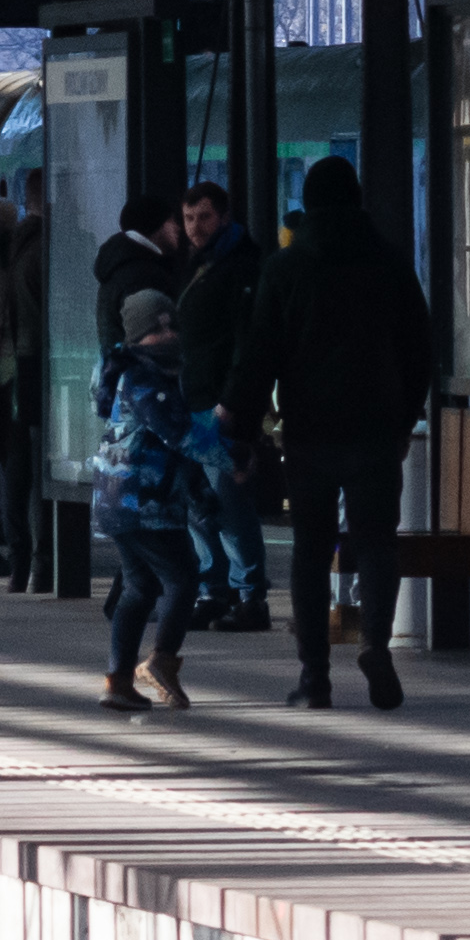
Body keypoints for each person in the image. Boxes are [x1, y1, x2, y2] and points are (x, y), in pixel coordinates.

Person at [230, 155, 435, 712]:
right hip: (374, 428)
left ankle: (314, 676)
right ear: (357, 198)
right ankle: (375, 644)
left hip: (310, 431)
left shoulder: (285, 268)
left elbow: (259, 356)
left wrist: (241, 428)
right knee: (376, 542)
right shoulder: (390, 264)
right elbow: (420, 348)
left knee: (310, 549)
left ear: (311, 204)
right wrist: (404, 415)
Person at [89, 289, 221, 712]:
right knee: (183, 576)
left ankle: (118, 680)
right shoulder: (143, 378)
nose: (165, 335)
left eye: (170, 325)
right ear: (134, 336)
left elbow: (177, 454)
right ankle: (161, 661)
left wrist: (202, 497)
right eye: (153, 329)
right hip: (141, 504)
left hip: (125, 503)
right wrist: (232, 453)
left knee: (140, 586)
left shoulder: (157, 374)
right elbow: (179, 437)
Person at [159, 181, 273, 626]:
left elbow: (248, 342)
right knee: (199, 502)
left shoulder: (241, 267)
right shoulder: (198, 265)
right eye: (188, 218)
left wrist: (235, 401)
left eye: (204, 217)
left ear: (223, 216)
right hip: (194, 399)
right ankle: (215, 588)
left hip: (219, 404)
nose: (194, 227)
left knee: (227, 503)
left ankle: (250, 594)